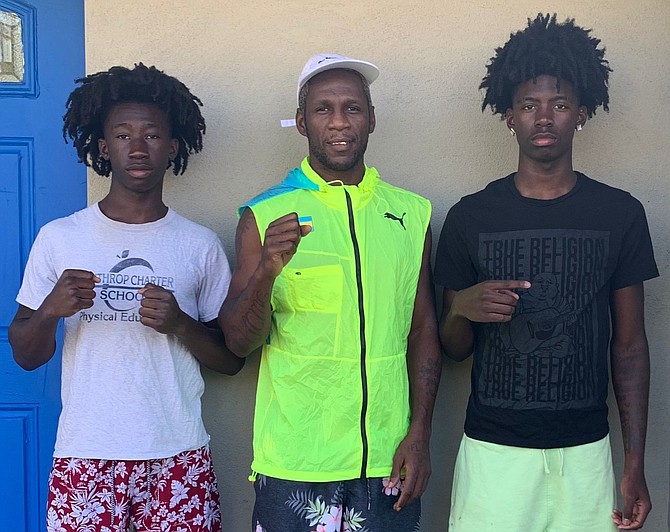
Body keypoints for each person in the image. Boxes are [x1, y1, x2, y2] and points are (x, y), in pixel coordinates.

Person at [435, 14, 658, 532]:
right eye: (529, 105)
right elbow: (453, 348)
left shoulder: (619, 214)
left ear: (581, 113)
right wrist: (460, 308)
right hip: (493, 451)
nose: (544, 118)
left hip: (585, 451)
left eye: (559, 104)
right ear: (509, 115)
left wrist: (633, 462)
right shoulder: (470, 217)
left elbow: (629, 347)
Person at [8, 63, 243, 531]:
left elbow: (232, 360)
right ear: (102, 146)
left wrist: (183, 325)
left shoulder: (198, 245)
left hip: (177, 455)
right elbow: (25, 356)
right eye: (122, 135)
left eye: (152, 135)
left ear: (172, 146)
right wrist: (50, 311)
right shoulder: (60, 239)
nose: (137, 148)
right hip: (86, 457)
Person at [219, 53, 442, 531]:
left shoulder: (412, 215)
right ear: (301, 122)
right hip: (295, 465)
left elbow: (423, 327)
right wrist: (266, 274)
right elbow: (238, 341)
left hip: (388, 460)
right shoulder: (263, 216)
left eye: (352, 108)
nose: (339, 122)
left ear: (372, 118)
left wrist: (420, 434)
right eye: (323, 109)